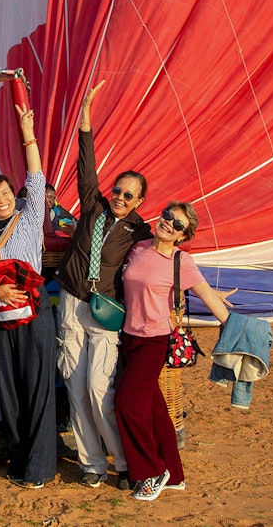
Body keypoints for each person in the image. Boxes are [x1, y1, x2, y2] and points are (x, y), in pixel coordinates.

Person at [54, 80, 152, 490]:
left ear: (139, 201)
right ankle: (92, 464)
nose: (122, 197)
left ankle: (124, 462)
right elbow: (86, 163)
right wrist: (86, 115)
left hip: (106, 311)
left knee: (98, 389)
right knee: (76, 390)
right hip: (73, 303)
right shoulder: (93, 205)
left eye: (130, 195)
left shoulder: (140, 232)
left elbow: (163, 262)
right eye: (119, 190)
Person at [115, 201, 234, 501]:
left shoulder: (182, 262)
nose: (169, 224)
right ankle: (174, 474)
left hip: (153, 341)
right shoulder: (138, 246)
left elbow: (205, 294)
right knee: (155, 410)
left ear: (183, 236)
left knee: (126, 403)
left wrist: (236, 329)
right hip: (127, 337)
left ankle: (151, 471)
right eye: (168, 217)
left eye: (178, 225)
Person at [0, 102, 57, 489]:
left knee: (38, 386)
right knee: (8, 388)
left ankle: (40, 467)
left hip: (35, 312)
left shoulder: (30, 216)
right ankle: (19, 458)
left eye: (6, 192)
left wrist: (28, 134)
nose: (2, 200)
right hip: (1, 318)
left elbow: (37, 177)